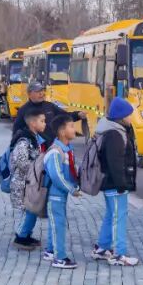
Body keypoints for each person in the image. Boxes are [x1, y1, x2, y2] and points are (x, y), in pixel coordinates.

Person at [91, 98, 140, 266]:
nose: (132, 117)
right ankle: (119, 254)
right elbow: (115, 162)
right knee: (119, 217)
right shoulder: (115, 134)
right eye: (129, 114)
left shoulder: (113, 130)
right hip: (114, 184)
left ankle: (102, 248)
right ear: (122, 116)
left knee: (111, 215)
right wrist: (122, 184)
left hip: (109, 183)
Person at [42, 113, 82, 269]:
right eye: (71, 126)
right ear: (61, 131)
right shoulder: (55, 151)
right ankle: (59, 257)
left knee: (56, 223)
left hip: (60, 196)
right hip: (55, 196)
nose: (74, 129)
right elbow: (57, 176)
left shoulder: (66, 150)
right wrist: (72, 189)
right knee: (58, 225)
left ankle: (50, 250)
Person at [10, 108, 47, 249]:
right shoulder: (24, 141)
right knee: (27, 210)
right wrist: (37, 168)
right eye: (42, 121)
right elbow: (21, 161)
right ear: (32, 123)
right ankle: (21, 238)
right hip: (22, 183)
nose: (45, 124)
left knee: (31, 210)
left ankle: (26, 235)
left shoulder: (35, 138)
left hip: (30, 182)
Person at [12, 82, 81, 138]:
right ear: (29, 94)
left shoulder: (49, 106)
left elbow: (65, 116)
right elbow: (16, 132)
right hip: (34, 149)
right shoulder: (23, 110)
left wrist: (78, 115)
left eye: (42, 91)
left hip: (50, 146)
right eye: (38, 91)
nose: (41, 93)